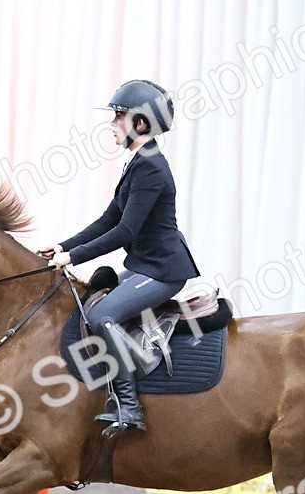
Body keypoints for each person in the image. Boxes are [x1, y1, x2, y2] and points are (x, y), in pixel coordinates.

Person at [42, 79, 201, 435]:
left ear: (140, 124)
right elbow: (108, 220)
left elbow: (125, 233)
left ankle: (129, 406)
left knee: (103, 316)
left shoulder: (152, 168)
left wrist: (74, 257)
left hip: (162, 271)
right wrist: (63, 247)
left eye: (119, 116)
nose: (113, 123)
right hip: (145, 265)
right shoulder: (139, 162)